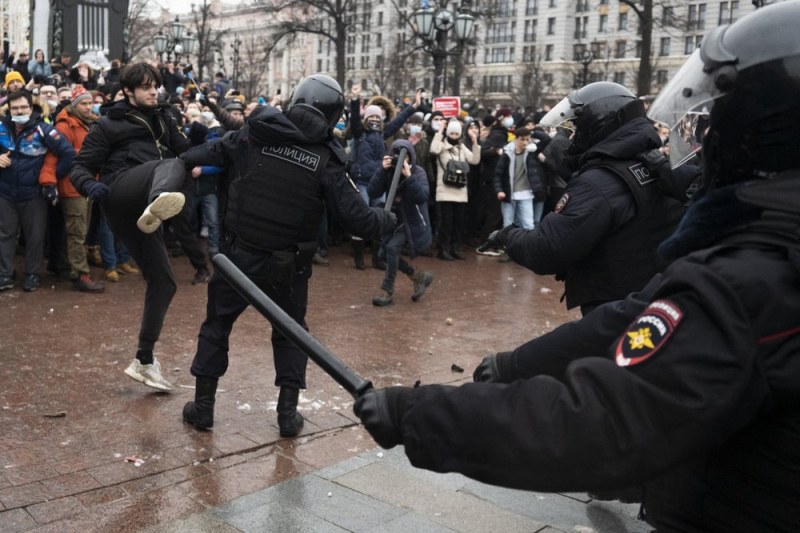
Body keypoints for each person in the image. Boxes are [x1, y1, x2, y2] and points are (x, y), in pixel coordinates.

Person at [354, 2, 800, 531]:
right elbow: (634, 312)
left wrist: (420, 414)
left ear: (760, 122)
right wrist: (519, 363)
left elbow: (605, 422)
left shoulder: (750, 275)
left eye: (721, 109)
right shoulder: (758, 246)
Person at [180, 74, 396, 436]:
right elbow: (357, 219)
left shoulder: (255, 135)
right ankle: (287, 416)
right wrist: (385, 219)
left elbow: (211, 152)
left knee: (217, 325)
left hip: (237, 259)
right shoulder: (326, 159)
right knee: (291, 333)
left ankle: (203, 408)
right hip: (287, 265)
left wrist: (178, 162)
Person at [488, 82, 685, 315]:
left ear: (599, 124)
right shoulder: (653, 161)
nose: (573, 136)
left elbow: (547, 249)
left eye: (577, 128)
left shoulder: (598, 182)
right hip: (651, 296)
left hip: (615, 306)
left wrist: (508, 235)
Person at [70, 62, 192, 391]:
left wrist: (222, 149)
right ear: (128, 91)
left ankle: (144, 360)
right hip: (121, 192)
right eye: (146, 87)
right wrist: (90, 188)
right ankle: (159, 200)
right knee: (168, 165)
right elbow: (79, 168)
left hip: (147, 210)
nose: (154, 91)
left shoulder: (166, 118)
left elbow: (189, 154)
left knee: (164, 283)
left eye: (156, 85)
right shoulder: (108, 124)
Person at [0, 90, 74, 291]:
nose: (19, 111)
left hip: (33, 194)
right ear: (9, 109)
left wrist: (50, 178)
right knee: (5, 235)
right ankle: (5, 274)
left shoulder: (44, 129)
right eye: (15, 108)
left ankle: (32, 274)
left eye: (23, 107)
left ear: (31, 108)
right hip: (5, 193)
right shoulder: (1, 127)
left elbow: (67, 153)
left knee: (35, 236)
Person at [41, 85, 105, 292]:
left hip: (87, 185)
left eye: (90, 103)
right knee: (77, 232)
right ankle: (80, 274)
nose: (89, 107)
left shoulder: (91, 124)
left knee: (81, 230)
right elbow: (52, 158)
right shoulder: (65, 126)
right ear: (75, 105)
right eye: (84, 103)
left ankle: (68, 266)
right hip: (72, 187)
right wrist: (48, 182)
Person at [368, 139, 434, 306]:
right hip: (394, 219)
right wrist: (382, 171)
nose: (400, 160)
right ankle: (418, 277)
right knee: (383, 254)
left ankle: (387, 290)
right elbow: (372, 191)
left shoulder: (417, 172)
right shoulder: (388, 171)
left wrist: (408, 176)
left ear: (410, 157)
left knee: (392, 248)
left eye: (404, 157)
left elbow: (422, 196)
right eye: (396, 156)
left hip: (411, 221)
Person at [429, 118, 480, 260]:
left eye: (456, 134)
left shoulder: (461, 147)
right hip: (445, 190)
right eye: (451, 133)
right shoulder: (441, 146)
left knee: (458, 222)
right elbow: (433, 149)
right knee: (446, 223)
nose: (454, 136)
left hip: (460, 190)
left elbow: (474, 160)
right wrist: (440, 131)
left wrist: (475, 142)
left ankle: (455, 248)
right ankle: (443, 249)